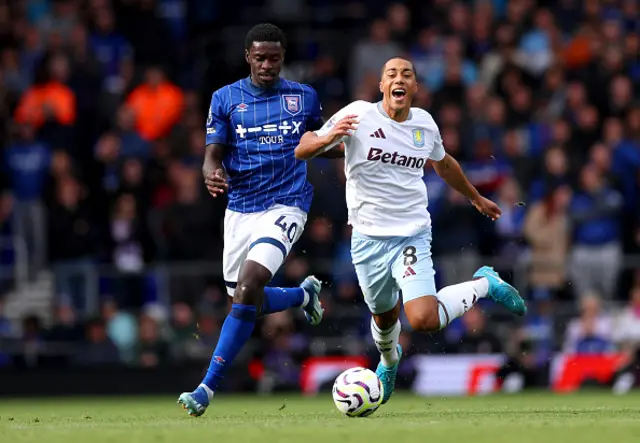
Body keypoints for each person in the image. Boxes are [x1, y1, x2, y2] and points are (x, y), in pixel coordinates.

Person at [295, 56, 526, 405]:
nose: (399, 79)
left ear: (415, 87)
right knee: (384, 316)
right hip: (367, 238)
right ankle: (388, 363)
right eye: (391, 74)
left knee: (423, 319)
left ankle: (485, 283)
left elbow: (444, 164)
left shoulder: (425, 125)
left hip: (411, 234)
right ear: (382, 85)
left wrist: (476, 198)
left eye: (407, 74)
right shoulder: (357, 114)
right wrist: (333, 136)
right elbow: (303, 148)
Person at [178, 23, 342, 416]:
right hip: (240, 209)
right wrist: (208, 170)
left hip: (287, 203)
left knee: (250, 283)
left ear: (282, 58)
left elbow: (316, 143)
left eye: (274, 58)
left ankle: (205, 389)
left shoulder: (303, 97)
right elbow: (213, 152)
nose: (267, 64)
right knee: (242, 296)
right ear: (248, 57)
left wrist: (354, 146)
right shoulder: (225, 98)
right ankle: (304, 294)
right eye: (260, 57)